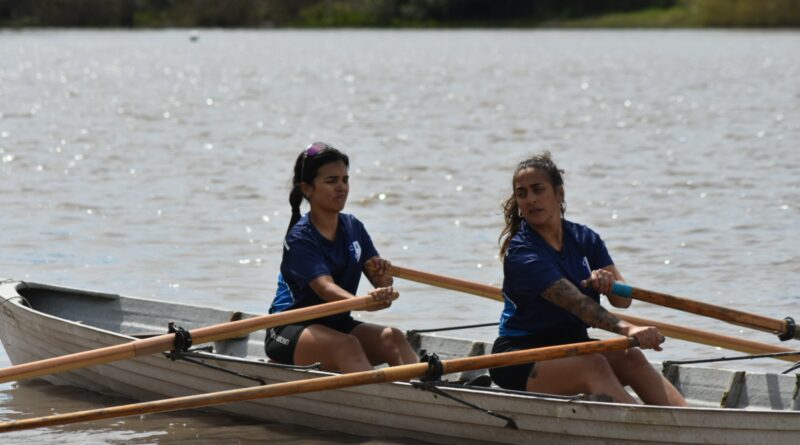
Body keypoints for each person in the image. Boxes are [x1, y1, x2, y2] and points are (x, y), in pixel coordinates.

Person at [488, 152, 687, 406]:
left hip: (571, 345)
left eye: (538, 190)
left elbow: (622, 300)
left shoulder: (585, 238)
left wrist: (609, 284)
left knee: (631, 356)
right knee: (594, 365)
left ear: (559, 194)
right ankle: (649, 432)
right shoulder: (522, 253)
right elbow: (579, 306)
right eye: (522, 193)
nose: (531, 200)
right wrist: (629, 329)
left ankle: (690, 426)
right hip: (519, 355)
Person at [265, 141, 418, 373]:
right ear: (307, 189)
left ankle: (423, 394)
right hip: (288, 328)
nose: (342, 187)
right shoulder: (300, 238)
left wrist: (384, 283)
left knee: (393, 338)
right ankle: (382, 403)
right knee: (346, 346)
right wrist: (364, 303)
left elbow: (380, 282)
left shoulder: (353, 227)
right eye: (331, 181)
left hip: (336, 323)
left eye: (345, 180)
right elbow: (325, 288)